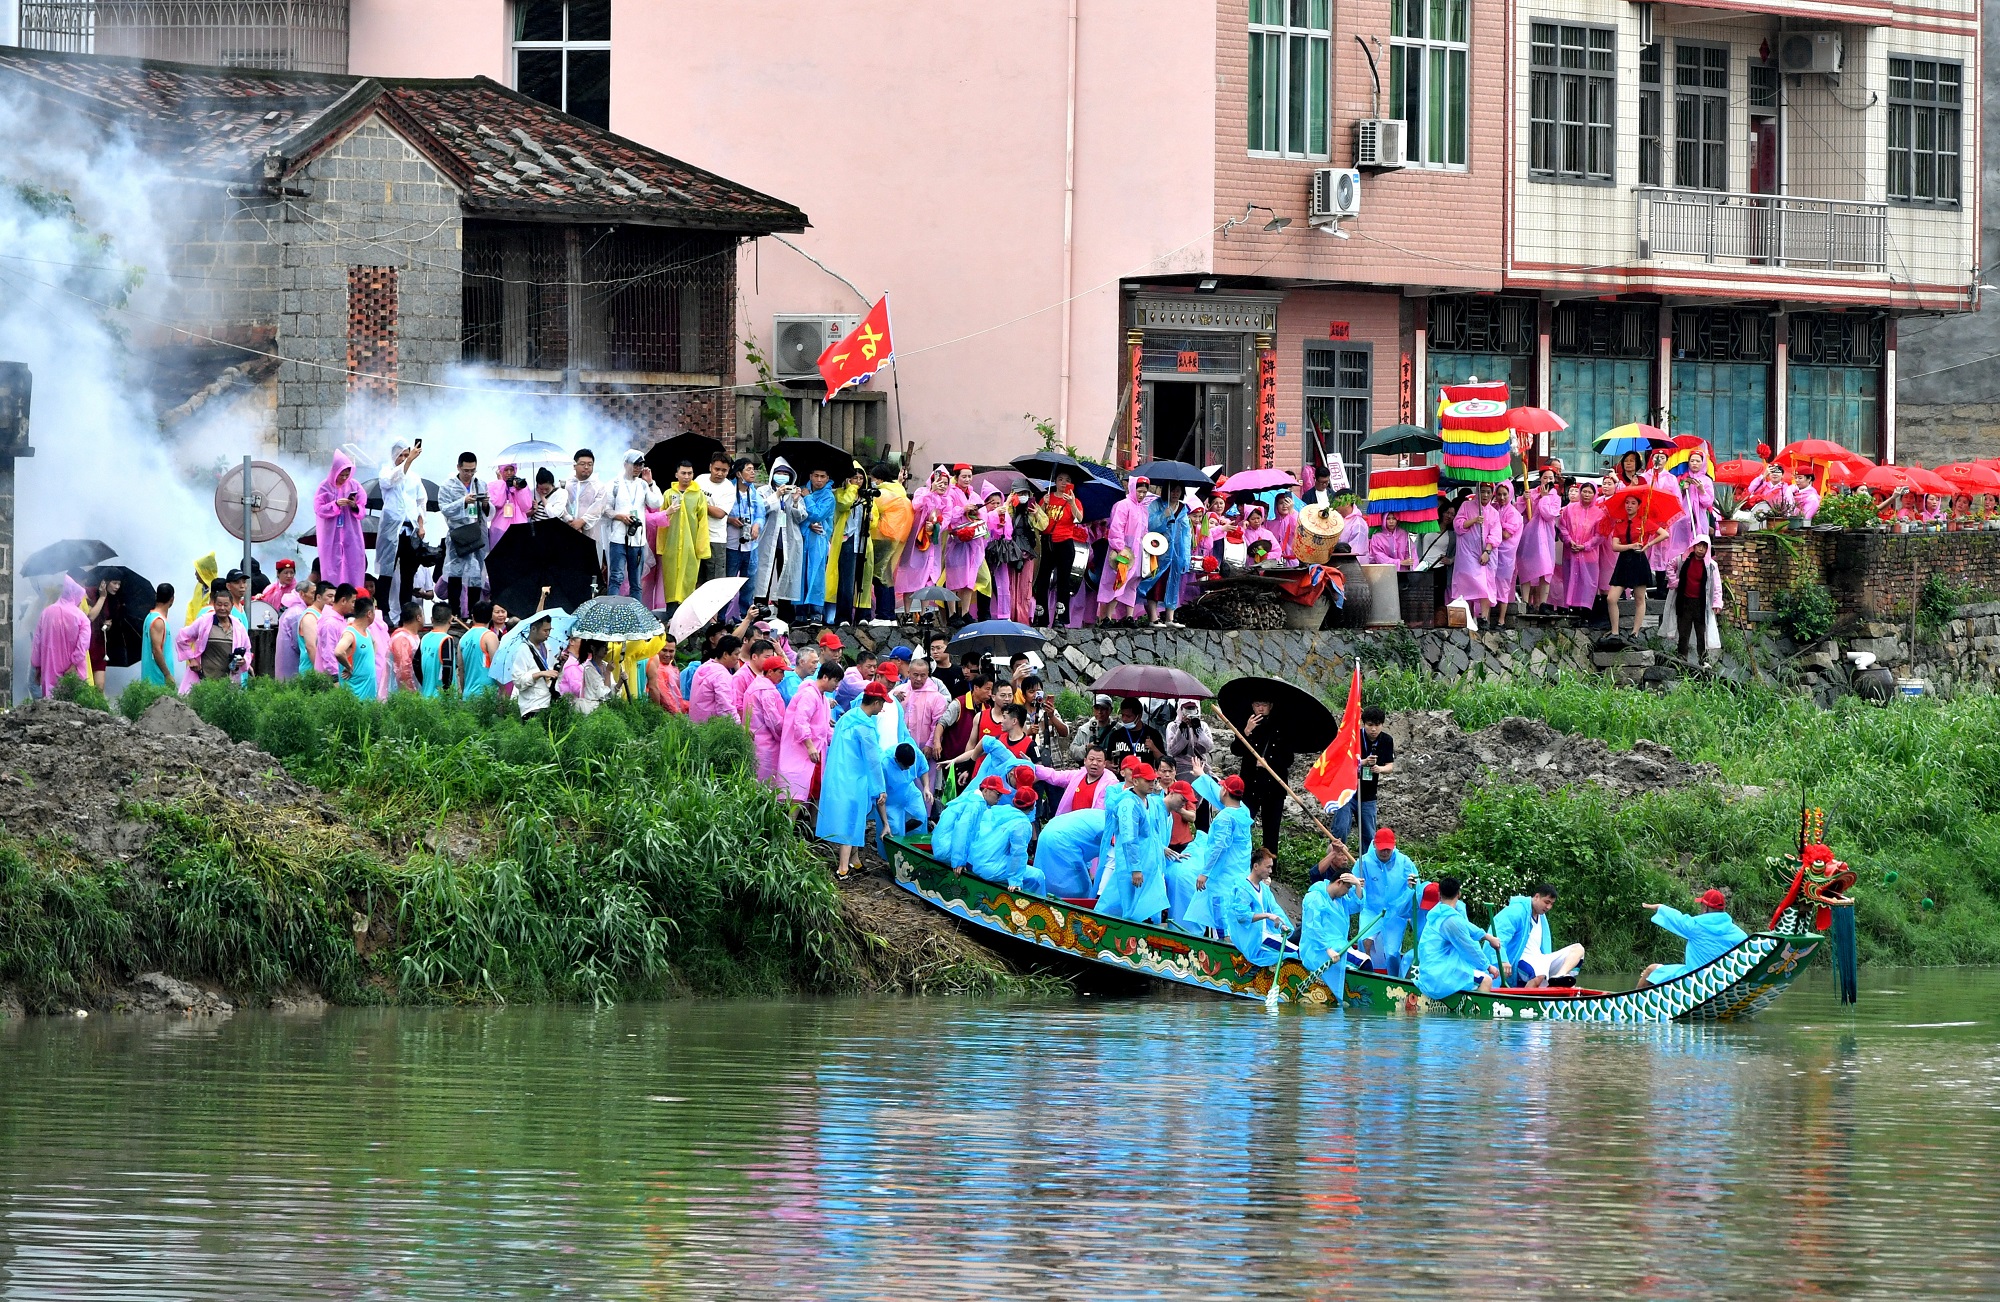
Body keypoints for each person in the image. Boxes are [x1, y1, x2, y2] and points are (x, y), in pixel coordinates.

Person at [818, 681, 892, 878]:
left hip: (838, 775)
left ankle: (855, 860)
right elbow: (873, 761)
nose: (883, 707)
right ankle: (843, 868)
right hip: (854, 779)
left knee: (850, 818)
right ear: (875, 702)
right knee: (851, 821)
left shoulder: (848, 717)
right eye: (883, 703)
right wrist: (880, 789)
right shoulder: (865, 727)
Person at [1094, 762, 1169, 923]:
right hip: (1132, 864)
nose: (1152, 784)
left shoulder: (1148, 800)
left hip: (1148, 862)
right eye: (1147, 781)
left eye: (1153, 780)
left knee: (1142, 903)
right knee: (1127, 903)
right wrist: (1135, 868)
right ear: (1135, 781)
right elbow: (1129, 838)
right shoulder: (1128, 804)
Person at [1415, 875, 1506, 999]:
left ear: (1439, 894)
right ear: (1459, 894)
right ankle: (1481, 1017)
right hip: (1439, 977)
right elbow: (1469, 949)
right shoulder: (1451, 921)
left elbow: (1465, 926)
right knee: (1486, 980)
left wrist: (1487, 936)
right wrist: (1488, 967)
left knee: (1473, 971)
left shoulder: (1438, 913)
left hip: (1430, 972)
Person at [1638, 889, 1748, 987]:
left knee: (1650, 971)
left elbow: (1675, 918)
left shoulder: (1694, 926)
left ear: (1705, 908)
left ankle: (1634, 1005)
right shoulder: (1738, 934)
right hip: (1722, 984)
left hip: (1694, 983)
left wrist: (1659, 907)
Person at [1489, 882, 1585, 989]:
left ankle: (1558, 978)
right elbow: (1496, 935)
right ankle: (1526, 1003)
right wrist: (1503, 960)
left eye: (1552, 904)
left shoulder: (1542, 917)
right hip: (1520, 960)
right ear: (1537, 897)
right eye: (1546, 902)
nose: (1548, 907)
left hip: (1540, 959)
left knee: (1578, 949)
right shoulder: (1516, 911)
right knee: (1539, 974)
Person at [1231, 696, 1293, 851]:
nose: (1260, 708)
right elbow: (1236, 750)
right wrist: (1246, 731)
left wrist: (1269, 762)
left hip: (1274, 786)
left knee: (1271, 831)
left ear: (1270, 706)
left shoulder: (1281, 726)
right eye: (1257, 704)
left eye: (1264, 704)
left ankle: (1269, 869)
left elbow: (1289, 759)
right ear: (1252, 706)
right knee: (1243, 824)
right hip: (1250, 784)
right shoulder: (1246, 723)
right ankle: (1242, 862)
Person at [374, 438, 426, 622]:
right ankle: (384, 611)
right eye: (401, 456)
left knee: (408, 573)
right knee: (386, 571)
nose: (404, 458)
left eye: (406, 455)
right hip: (391, 529)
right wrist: (408, 461)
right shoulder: (386, 471)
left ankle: (406, 613)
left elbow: (421, 501)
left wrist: (421, 525)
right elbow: (391, 480)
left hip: (409, 530)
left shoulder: (415, 477)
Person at [1300, 857, 1366, 1001]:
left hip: (1339, 946)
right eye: (1348, 888)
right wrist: (1327, 949)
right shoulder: (1315, 897)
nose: (1348, 892)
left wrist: (1357, 886)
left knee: (1364, 961)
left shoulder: (1341, 900)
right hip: (1318, 949)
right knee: (1364, 963)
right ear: (1339, 882)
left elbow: (1357, 905)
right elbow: (1313, 927)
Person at [1354, 827, 1418, 974]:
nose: (1385, 852)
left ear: (1394, 846)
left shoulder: (1405, 862)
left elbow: (1416, 888)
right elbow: (1354, 888)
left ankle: (1394, 978)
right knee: (1364, 941)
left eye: (1388, 849)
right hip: (1372, 909)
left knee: (1392, 953)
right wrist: (1358, 886)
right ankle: (1364, 974)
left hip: (1396, 912)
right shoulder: (1363, 862)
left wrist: (1410, 889)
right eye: (1382, 849)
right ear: (1375, 845)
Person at [1328, 706, 1394, 847]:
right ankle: (1335, 863)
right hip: (1347, 792)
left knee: (1369, 835)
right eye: (1370, 725)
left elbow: (1390, 767)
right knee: (1340, 830)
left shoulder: (1387, 740)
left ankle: (1366, 866)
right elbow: (1343, 761)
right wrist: (1363, 762)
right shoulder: (1355, 737)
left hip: (1368, 795)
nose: (1374, 729)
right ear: (1364, 724)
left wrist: (1379, 769)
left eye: (1377, 725)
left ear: (1382, 725)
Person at [1605, 491, 1668, 637]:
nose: (1629, 506)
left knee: (1639, 598)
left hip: (1639, 561)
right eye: (1627, 503)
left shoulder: (1644, 521)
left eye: (1633, 503)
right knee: (1611, 598)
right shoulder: (1619, 524)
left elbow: (1665, 534)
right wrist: (1631, 546)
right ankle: (1615, 631)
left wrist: (1648, 545)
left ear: (1639, 506)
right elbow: (1614, 546)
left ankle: (1635, 632)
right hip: (1624, 561)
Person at [173, 580, 251, 694]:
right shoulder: (205, 621)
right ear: (214, 604)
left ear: (232, 606)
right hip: (205, 680)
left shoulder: (238, 626)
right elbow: (182, 637)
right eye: (219, 604)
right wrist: (192, 659)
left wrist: (244, 661)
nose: (222, 608)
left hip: (228, 682)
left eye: (226, 605)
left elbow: (247, 650)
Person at [965, 783, 1046, 893]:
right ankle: (1036, 906)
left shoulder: (994, 811)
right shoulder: (1022, 824)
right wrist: (1015, 881)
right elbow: (1017, 853)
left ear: (1014, 801)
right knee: (1038, 876)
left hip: (974, 862)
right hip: (990, 869)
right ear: (1032, 806)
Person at [438, 451, 490, 617]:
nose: (469, 474)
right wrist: (463, 502)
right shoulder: (448, 486)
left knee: (476, 572)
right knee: (455, 573)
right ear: (458, 467)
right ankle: (454, 613)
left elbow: (487, 512)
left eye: (472, 470)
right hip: (458, 533)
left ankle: (474, 613)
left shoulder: (480, 484)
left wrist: (486, 504)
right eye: (466, 470)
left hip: (476, 532)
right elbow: (444, 509)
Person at [1219, 847, 1291, 966]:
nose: (1271, 871)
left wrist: (1282, 925)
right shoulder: (1243, 888)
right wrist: (1267, 916)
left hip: (1264, 935)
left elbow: (1274, 909)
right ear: (1256, 866)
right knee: (1291, 953)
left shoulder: (1264, 889)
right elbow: (1242, 917)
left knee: (1294, 948)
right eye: (1268, 867)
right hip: (1251, 939)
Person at [1658, 536, 1724, 664]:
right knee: (1683, 633)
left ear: (1707, 549)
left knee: (1701, 633)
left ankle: (1703, 661)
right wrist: (1674, 582)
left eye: (1704, 547)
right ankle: (1681, 660)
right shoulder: (1683, 559)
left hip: (1701, 604)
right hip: (1684, 602)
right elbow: (1670, 567)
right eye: (1699, 545)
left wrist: (1717, 602)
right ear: (1693, 546)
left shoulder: (1711, 565)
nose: (1701, 549)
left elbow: (1717, 585)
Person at [606, 450, 662, 599]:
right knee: (616, 578)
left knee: (636, 582)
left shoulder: (643, 485)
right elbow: (605, 510)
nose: (638, 468)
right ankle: (612, 613)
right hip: (618, 538)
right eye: (635, 464)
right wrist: (620, 516)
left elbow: (657, 502)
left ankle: (636, 617)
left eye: (641, 464)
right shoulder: (614, 484)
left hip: (637, 539)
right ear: (626, 464)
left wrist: (651, 483)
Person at [1036, 469, 1088, 626]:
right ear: (1055, 482)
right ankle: (1041, 616)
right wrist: (1044, 505)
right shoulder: (1047, 497)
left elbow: (1079, 518)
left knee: (1063, 580)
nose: (1063, 482)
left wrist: (1072, 503)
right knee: (1042, 579)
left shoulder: (1074, 500)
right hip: (1047, 542)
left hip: (1065, 542)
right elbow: (1038, 519)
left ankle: (1061, 617)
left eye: (1067, 479)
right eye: (1060, 479)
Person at [1097, 475, 1150, 623]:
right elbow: (1116, 527)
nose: (1141, 495)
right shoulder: (1123, 505)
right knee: (1119, 580)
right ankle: (1107, 616)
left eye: (1144, 492)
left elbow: (1145, 531)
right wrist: (1120, 547)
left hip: (1137, 550)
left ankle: (1129, 616)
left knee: (1132, 583)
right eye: (1139, 491)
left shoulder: (1144, 510)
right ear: (1132, 488)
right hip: (1123, 549)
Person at [29, 575, 92, 698]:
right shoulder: (81, 617)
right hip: (73, 672)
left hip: (49, 667)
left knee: (51, 702)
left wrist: (37, 666)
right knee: (74, 705)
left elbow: (37, 643)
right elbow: (83, 645)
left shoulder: (46, 613)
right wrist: (74, 664)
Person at [312, 451, 367, 591]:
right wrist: (335, 504)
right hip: (331, 534)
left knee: (353, 563)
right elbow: (319, 509)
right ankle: (332, 596)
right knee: (331, 565)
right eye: (341, 475)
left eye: (346, 475)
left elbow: (362, 510)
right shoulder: (324, 487)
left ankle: (353, 596)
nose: (344, 478)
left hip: (351, 532)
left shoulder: (354, 486)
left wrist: (354, 506)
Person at [1142, 486, 1194, 627]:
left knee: (1173, 582)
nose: (1175, 494)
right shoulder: (1156, 504)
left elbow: (1185, 533)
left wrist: (1186, 556)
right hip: (1158, 550)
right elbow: (1149, 525)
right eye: (1173, 490)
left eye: (1178, 491)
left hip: (1176, 552)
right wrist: (1163, 516)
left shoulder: (1182, 508)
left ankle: (1169, 618)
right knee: (1155, 582)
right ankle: (1153, 617)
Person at [722, 456, 762, 620]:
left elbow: (761, 514)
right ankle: (722, 617)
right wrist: (730, 520)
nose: (753, 473)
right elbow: (720, 513)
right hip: (732, 545)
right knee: (728, 584)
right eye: (749, 469)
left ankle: (746, 618)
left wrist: (757, 525)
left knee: (749, 584)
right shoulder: (728, 491)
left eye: (753, 469)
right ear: (738, 474)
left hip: (751, 546)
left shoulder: (755, 493)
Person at [1517, 470, 1562, 611]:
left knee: (1546, 568)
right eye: (1545, 477)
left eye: (1551, 478)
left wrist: (1544, 498)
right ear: (1540, 479)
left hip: (1545, 537)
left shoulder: (1555, 497)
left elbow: (1548, 515)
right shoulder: (1530, 492)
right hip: (1529, 536)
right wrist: (1523, 500)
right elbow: (1518, 511)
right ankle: (1525, 602)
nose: (1547, 480)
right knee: (1526, 567)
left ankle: (1542, 602)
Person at [560, 447, 612, 571]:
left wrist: (581, 522)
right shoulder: (565, 485)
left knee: (590, 568)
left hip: (591, 532)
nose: (586, 467)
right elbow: (560, 505)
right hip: (569, 530)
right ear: (574, 465)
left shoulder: (598, 486)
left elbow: (598, 508)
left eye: (590, 464)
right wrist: (570, 521)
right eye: (582, 464)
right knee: (569, 567)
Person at [1557, 482, 1605, 613]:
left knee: (1587, 582)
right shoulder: (1569, 509)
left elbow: (1600, 535)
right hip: (1570, 552)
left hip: (1589, 555)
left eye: (1590, 492)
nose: (1586, 495)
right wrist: (1568, 540)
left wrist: (1585, 546)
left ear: (1595, 495)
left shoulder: (1599, 513)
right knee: (1570, 579)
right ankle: (1570, 608)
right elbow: (1562, 527)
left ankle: (1585, 611)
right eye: (1584, 491)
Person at [798, 467, 837, 623]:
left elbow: (818, 514)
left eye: (822, 476)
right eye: (816, 476)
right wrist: (808, 525)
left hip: (819, 540)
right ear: (810, 476)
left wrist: (807, 498)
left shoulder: (828, 497)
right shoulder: (801, 490)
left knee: (816, 576)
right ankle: (800, 614)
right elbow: (796, 514)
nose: (819, 480)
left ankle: (816, 613)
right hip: (802, 538)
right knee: (800, 576)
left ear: (827, 478)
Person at [744, 653, 790, 783]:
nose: (783, 676)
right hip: (767, 746)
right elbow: (774, 721)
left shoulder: (754, 686)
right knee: (767, 785)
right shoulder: (767, 691)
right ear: (770, 672)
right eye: (781, 672)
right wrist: (785, 735)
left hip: (754, 741)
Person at [695, 450, 735, 586]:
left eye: (724, 470)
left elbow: (720, 514)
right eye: (717, 469)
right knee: (696, 579)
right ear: (710, 467)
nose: (720, 473)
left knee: (714, 582)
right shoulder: (700, 480)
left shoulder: (729, 488)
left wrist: (700, 504)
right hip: (696, 536)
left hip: (715, 539)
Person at [510, 613, 560, 719]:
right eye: (545, 631)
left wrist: (561, 663)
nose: (548, 634)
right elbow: (518, 681)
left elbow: (551, 670)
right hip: (532, 706)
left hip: (548, 702)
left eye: (550, 630)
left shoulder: (547, 646)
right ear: (533, 629)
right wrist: (540, 673)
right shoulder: (523, 650)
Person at [332, 593, 380, 702]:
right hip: (355, 694)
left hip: (369, 692)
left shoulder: (366, 631)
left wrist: (370, 661)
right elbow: (338, 652)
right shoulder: (350, 633)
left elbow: (374, 643)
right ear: (369, 614)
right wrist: (348, 667)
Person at [688, 635, 746, 724]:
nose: (738, 658)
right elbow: (726, 708)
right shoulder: (721, 675)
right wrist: (739, 728)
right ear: (725, 655)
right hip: (711, 729)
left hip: (696, 725)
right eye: (736, 654)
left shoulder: (704, 667)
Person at [883, 742, 932, 836]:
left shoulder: (915, 753)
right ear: (896, 760)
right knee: (895, 828)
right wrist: (885, 823)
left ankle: (917, 845)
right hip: (891, 800)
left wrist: (926, 787)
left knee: (920, 815)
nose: (908, 769)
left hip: (910, 792)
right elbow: (880, 792)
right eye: (905, 767)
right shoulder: (884, 764)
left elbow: (923, 769)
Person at [1107, 697, 1165, 771]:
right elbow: (1108, 759)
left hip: (1145, 779)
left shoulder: (1153, 734)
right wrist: (1108, 765)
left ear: (1139, 716)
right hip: (1121, 779)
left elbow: (1163, 762)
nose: (1124, 719)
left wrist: (1153, 748)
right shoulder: (1116, 735)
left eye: (1128, 716)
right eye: (1123, 715)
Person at [139, 582, 179, 689]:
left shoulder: (150, 617)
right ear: (172, 599)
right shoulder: (158, 621)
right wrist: (167, 674)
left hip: (153, 677)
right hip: (158, 678)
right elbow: (156, 650)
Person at [487, 461, 533, 551]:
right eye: (506, 470)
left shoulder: (521, 484)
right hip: (500, 529)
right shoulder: (493, 485)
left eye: (511, 470)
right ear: (500, 471)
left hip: (519, 528)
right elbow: (498, 502)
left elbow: (526, 506)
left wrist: (519, 490)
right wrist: (501, 483)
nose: (509, 473)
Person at [1163, 698, 1213, 781]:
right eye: (1187, 708)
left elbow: (1209, 747)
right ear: (1181, 709)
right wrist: (1182, 730)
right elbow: (1172, 751)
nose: (1190, 711)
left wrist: (1198, 731)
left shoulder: (1203, 726)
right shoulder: (1173, 726)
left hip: (1201, 765)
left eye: (1193, 708)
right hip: (1181, 766)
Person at [458, 601, 499, 696]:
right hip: (486, 695)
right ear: (491, 617)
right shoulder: (490, 636)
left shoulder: (463, 638)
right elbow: (496, 666)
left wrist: (464, 690)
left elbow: (461, 669)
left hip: (468, 694)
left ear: (472, 616)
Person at [418, 603, 455, 697]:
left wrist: (425, 683)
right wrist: (446, 692)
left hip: (425, 695)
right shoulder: (447, 639)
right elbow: (448, 667)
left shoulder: (424, 638)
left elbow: (415, 663)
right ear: (450, 619)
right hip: (441, 699)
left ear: (431, 619)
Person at [1069, 693, 1117, 764]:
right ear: (1093, 709)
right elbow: (1072, 752)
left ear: (1110, 710)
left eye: (1103, 708)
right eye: (1097, 708)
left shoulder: (1117, 729)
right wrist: (1086, 748)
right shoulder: (1084, 729)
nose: (1100, 712)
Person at [390, 602, 424, 693]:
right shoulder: (402, 638)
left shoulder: (412, 636)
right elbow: (403, 669)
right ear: (418, 617)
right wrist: (411, 692)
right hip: (405, 695)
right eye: (423, 614)